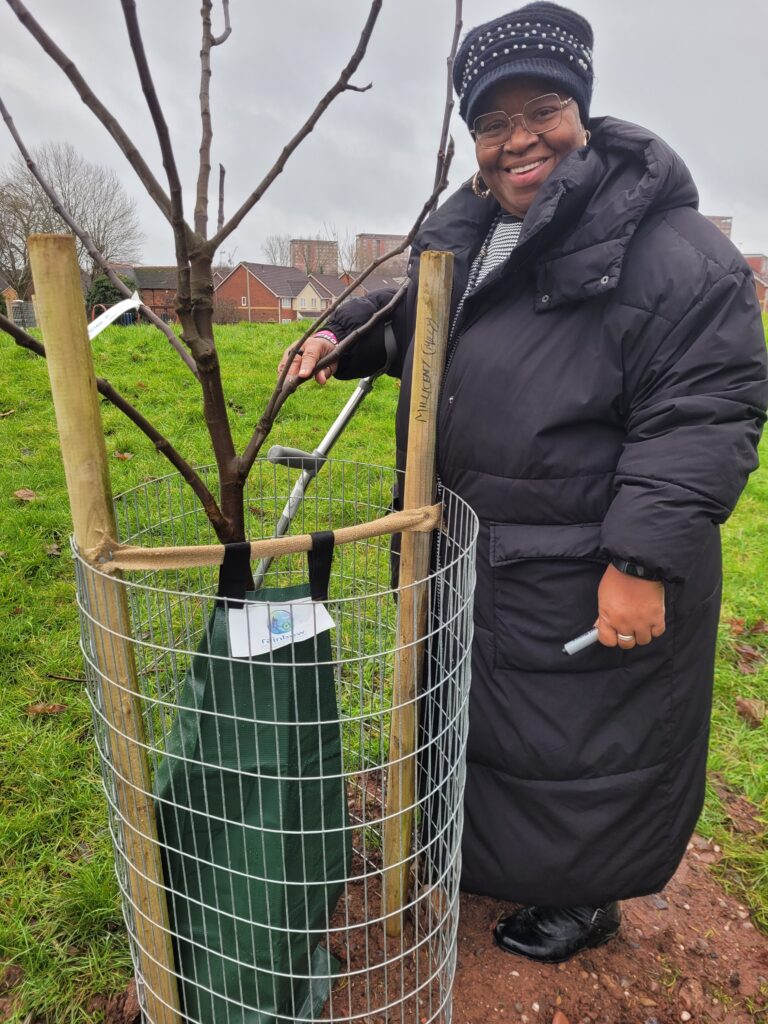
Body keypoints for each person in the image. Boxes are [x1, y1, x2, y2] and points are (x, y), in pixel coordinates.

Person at [279, 2, 768, 964]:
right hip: (483, 545)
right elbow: (426, 308)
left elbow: (703, 412)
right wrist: (345, 334)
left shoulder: (672, 254)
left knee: (584, 741)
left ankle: (588, 900)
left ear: (580, 112)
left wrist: (641, 560)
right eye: (492, 124)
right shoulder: (469, 232)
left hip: (587, 555)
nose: (517, 142)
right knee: (500, 722)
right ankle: (494, 851)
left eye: (540, 110)